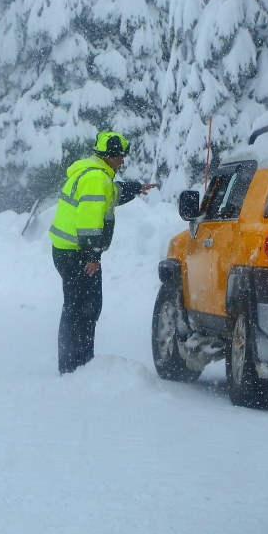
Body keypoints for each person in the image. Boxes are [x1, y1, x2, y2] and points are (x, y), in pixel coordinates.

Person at [49, 131, 159, 374]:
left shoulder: (93, 172)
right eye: (119, 156)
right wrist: (93, 255)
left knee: (79, 307)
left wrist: (136, 188)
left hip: (68, 251)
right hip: (77, 253)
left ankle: (75, 362)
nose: (122, 160)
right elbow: (89, 221)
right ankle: (75, 365)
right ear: (108, 156)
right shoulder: (97, 178)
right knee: (83, 309)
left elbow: (112, 195)